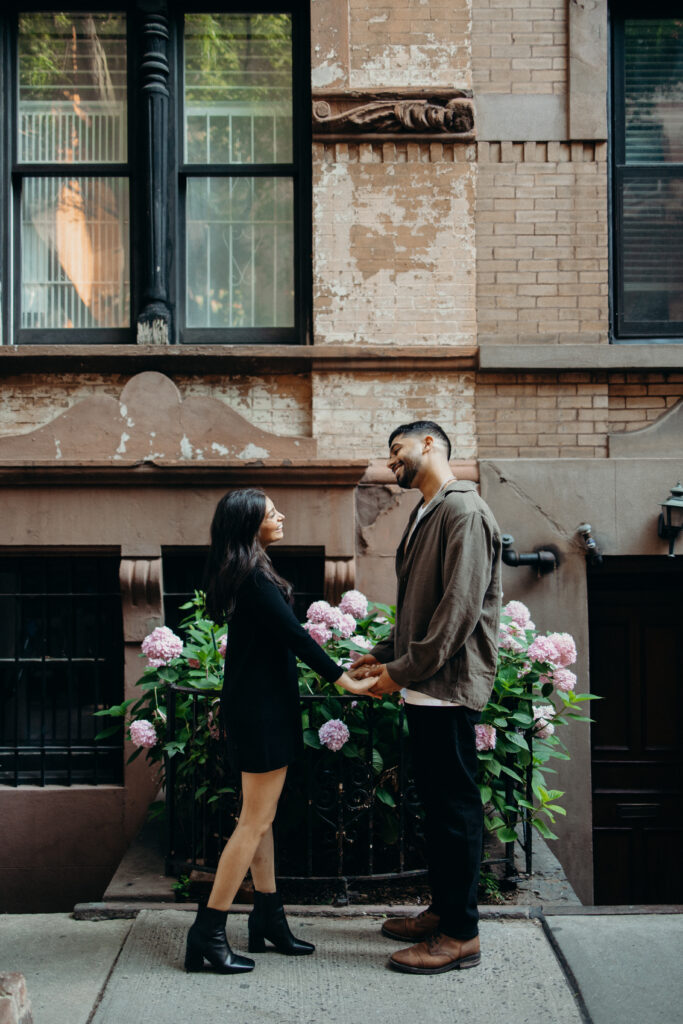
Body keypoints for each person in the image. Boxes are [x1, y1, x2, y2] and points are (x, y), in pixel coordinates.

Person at [184, 488, 379, 975]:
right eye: (273, 514)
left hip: (263, 707)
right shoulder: (252, 578)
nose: (282, 516)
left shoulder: (252, 573)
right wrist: (344, 680)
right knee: (253, 821)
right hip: (261, 712)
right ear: (252, 525)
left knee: (261, 818)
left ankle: (268, 919)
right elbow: (294, 635)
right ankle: (207, 933)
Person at [352, 420, 502, 975]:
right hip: (424, 683)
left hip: (448, 684)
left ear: (431, 444)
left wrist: (399, 671)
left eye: (398, 449)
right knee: (438, 809)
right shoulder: (425, 512)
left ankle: (461, 934)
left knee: (456, 811)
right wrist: (382, 653)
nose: (392, 462)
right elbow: (418, 606)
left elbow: (457, 612)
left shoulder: (464, 510)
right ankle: (443, 913)